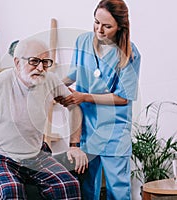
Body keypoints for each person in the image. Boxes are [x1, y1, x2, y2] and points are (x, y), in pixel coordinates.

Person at [0, 38, 88, 199]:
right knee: (12, 190)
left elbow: (74, 106)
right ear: (17, 62)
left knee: (68, 185)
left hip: (36, 155)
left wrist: (74, 145)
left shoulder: (50, 80)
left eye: (46, 62)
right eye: (34, 61)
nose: (41, 68)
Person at [56, 0, 141, 199]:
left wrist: (84, 96)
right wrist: (55, 87)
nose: (99, 30)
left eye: (107, 26)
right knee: (87, 189)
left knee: (117, 191)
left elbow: (122, 98)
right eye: (96, 22)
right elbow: (75, 72)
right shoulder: (83, 41)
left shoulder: (130, 54)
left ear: (121, 27)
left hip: (115, 131)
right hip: (87, 128)